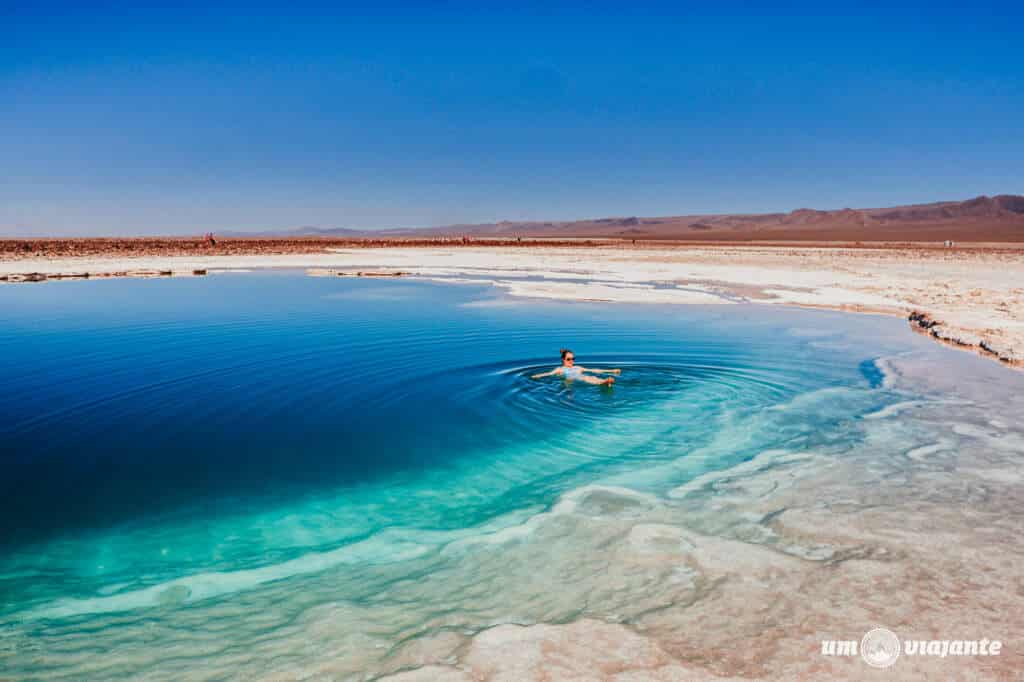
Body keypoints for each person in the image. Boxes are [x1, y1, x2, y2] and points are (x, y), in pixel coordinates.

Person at [531, 348, 620, 385]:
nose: (571, 361)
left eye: (573, 358)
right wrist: (537, 376)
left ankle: (604, 381)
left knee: (591, 377)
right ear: (563, 360)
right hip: (571, 381)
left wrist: (611, 371)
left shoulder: (578, 367)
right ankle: (604, 382)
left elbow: (594, 370)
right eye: (569, 359)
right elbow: (549, 374)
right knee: (586, 379)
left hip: (582, 377)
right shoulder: (560, 369)